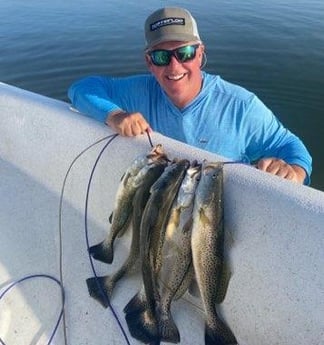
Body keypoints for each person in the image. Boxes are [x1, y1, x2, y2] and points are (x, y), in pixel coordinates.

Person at [68, 7, 312, 185]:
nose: (174, 67)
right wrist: (115, 114)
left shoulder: (240, 107)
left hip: (215, 211)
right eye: (162, 57)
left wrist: (294, 171)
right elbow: (82, 88)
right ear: (149, 62)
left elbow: (291, 147)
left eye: (184, 53)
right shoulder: (139, 91)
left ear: (199, 53)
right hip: (161, 200)